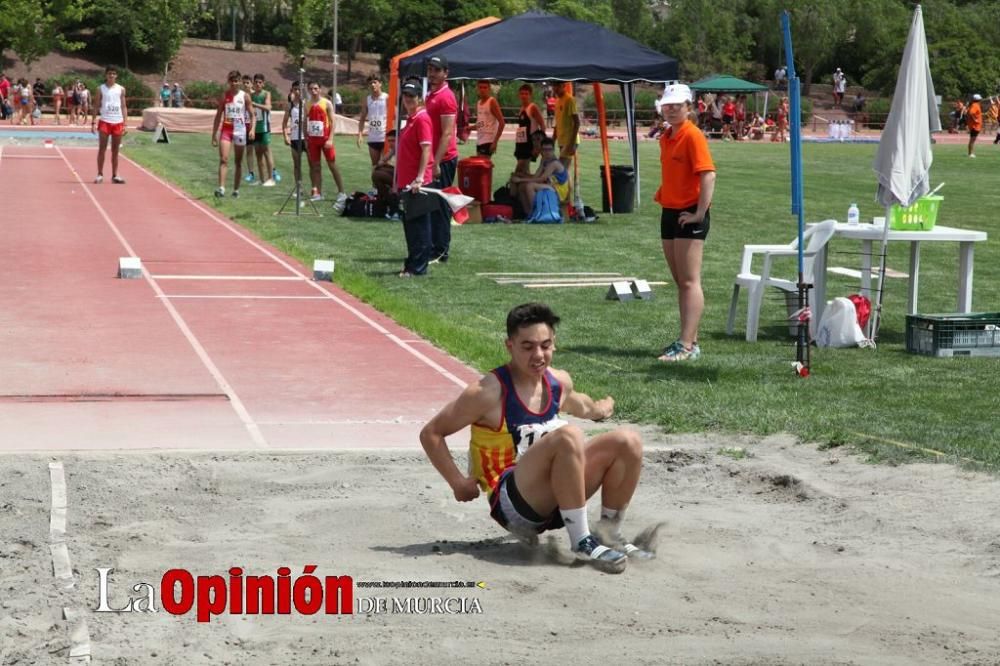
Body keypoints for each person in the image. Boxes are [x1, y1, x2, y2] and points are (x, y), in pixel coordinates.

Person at [419, 302, 650, 573]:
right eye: (528, 347)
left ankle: (609, 533)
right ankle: (581, 541)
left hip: (557, 499)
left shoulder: (558, 382)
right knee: (569, 436)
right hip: (513, 504)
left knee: (628, 440)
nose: (538, 355)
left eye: (545, 345)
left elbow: (581, 405)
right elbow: (431, 433)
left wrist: (600, 409)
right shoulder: (488, 392)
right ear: (510, 346)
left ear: (555, 344)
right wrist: (458, 482)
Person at [653, 83, 716, 362]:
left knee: (690, 281)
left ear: (689, 107)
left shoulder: (692, 136)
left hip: (689, 211)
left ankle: (687, 345)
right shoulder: (667, 136)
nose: (672, 109)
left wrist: (699, 213)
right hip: (670, 210)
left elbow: (708, 175)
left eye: (677, 105)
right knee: (681, 281)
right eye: (668, 105)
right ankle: (690, 339)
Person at [395, 80, 434, 277]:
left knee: (418, 227)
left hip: (417, 183)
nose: (408, 99)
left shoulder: (422, 119)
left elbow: (426, 148)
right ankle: (411, 264)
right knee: (410, 227)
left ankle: (418, 267)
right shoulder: (410, 119)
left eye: (412, 96)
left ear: (419, 98)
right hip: (407, 181)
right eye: (405, 95)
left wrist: (419, 178)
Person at [424, 54, 458, 264]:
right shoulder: (431, 94)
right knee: (431, 204)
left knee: (440, 205)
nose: (433, 74)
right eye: (430, 69)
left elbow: (447, 133)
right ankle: (433, 246)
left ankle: (441, 250)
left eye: (437, 70)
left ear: (446, 73)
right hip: (433, 158)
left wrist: (436, 162)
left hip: (443, 159)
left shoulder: (446, 97)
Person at [211, 70, 256, 198]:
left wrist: (252, 130)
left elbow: (252, 115)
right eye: (231, 81)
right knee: (224, 159)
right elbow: (218, 115)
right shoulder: (224, 96)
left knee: (238, 161)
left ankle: (236, 190)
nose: (234, 83)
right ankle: (221, 188)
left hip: (240, 131)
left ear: (240, 82)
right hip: (226, 130)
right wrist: (214, 134)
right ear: (228, 81)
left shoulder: (245, 96)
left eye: (236, 81)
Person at [304, 80, 347, 210]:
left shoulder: (326, 103)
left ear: (320, 89)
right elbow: (305, 120)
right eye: (311, 89)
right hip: (313, 140)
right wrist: (306, 137)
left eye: (316, 88)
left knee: (332, 165)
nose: (313, 91)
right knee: (315, 166)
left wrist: (330, 139)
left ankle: (341, 192)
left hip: (325, 138)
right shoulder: (307, 104)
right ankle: (318, 192)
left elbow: (333, 122)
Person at [510, 137, 568, 216]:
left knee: (530, 186)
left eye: (549, 149)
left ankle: (537, 213)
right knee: (522, 187)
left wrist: (520, 179)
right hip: (550, 186)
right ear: (541, 150)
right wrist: (522, 176)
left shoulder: (554, 163)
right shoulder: (544, 160)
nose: (547, 152)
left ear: (553, 150)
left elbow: (541, 179)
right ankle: (528, 213)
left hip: (559, 191)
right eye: (544, 150)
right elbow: (536, 176)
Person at [91, 66, 129, 184]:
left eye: (113, 73)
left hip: (117, 121)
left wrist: (125, 123)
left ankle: (114, 175)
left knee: (115, 150)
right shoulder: (100, 89)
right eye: (109, 74)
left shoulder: (121, 89)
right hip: (105, 121)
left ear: (116, 75)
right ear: (106, 75)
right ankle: (100, 174)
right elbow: (96, 105)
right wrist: (93, 122)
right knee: (102, 149)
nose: (111, 75)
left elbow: (123, 106)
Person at [250, 73, 276, 187]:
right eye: (256, 82)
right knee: (258, 154)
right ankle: (261, 179)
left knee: (267, 152)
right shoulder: (251, 95)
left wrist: (255, 104)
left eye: (260, 82)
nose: (258, 84)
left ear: (263, 83)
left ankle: (271, 178)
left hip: (265, 127)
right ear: (253, 83)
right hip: (255, 129)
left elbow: (268, 107)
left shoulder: (266, 94)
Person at [356, 74, 388, 166]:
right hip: (373, 138)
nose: (372, 85)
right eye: (370, 83)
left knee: (385, 165)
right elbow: (362, 119)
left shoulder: (387, 98)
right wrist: (360, 135)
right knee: (375, 165)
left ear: (380, 84)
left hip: (385, 137)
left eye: (375, 82)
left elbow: (394, 116)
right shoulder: (367, 100)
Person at [281, 81, 306, 196]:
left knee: (313, 164)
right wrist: (286, 136)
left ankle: (315, 189)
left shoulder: (307, 104)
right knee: (297, 164)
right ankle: (298, 188)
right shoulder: (290, 106)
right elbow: (285, 123)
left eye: (299, 89)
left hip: (307, 138)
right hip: (295, 138)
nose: (297, 92)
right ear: (292, 90)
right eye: (295, 89)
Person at [371, 128, 398, 219]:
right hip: (393, 170)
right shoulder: (394, 149)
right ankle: (385, 204)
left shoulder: (402, 148)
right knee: (377, 171)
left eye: (393, 140)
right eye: (389, 141)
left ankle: (392, 205)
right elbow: (382, 161)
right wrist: (379, 164)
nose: (390, 143)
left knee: (377, 175)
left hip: (401, 174)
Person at [474, 80, 505, 157]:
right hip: (480, 139)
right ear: (477, 89)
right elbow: (481, 123)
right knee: (480, 166)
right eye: (480, 87)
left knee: (483, 166)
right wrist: (470, 128)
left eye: (485, 87)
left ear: (489, 89)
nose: (482, 90)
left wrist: (495, 142)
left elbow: (502, 122)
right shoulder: (478, 103)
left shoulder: (492, 102)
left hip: (489, 140)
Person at [554, 82, 580, 168]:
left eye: (558, 85)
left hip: (570, 141)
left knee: (561, 170)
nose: (556, 88)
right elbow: (557, 123)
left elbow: (577, 122)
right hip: (561, 140)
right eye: (554, 85)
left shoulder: (569, 100)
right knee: (564, 171)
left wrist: (572, 143)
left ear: (564, 86)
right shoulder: (557, 101)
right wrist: (552, 140)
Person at [967, 93, 982, 158]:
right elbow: (971, 113)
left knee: (972, 140)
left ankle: (970, 153)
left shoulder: (975, 105)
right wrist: (975, 119)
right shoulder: (975, 105)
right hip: (975, 126)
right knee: (972, 140)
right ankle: (970, 153)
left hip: (975, 126)